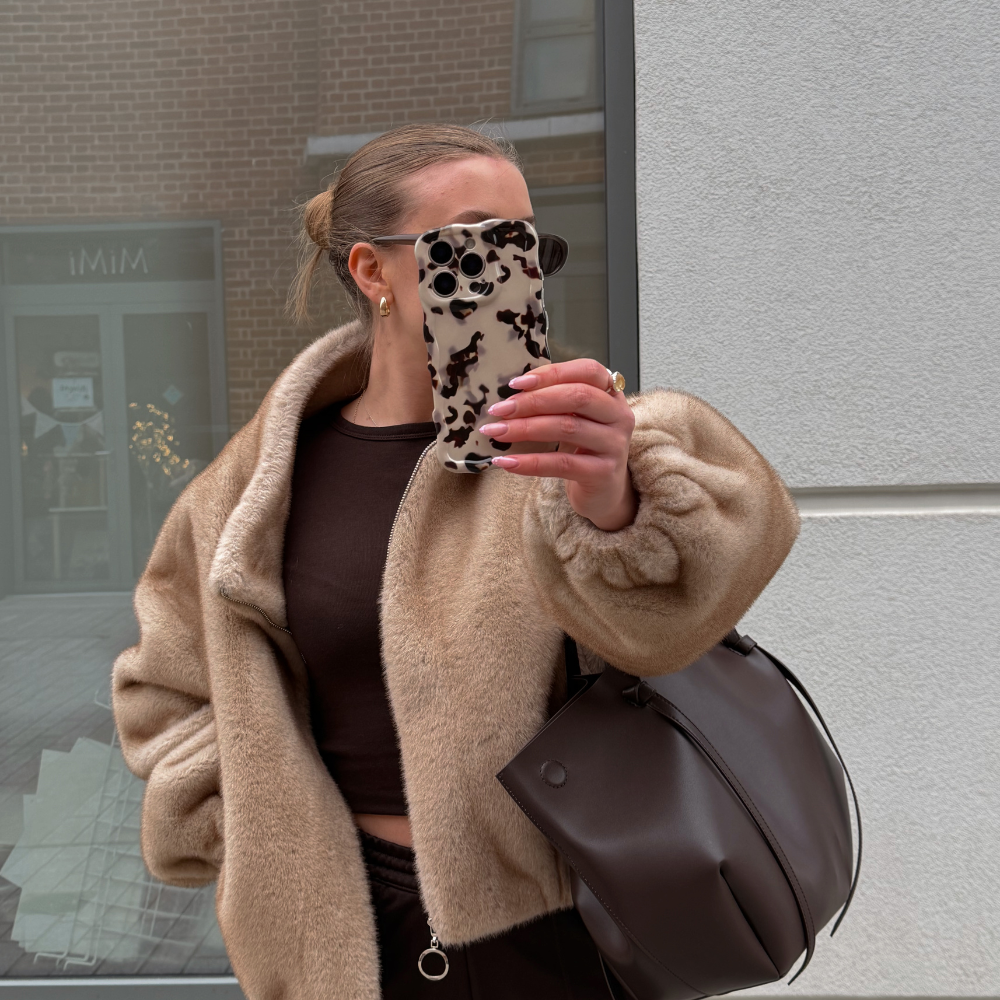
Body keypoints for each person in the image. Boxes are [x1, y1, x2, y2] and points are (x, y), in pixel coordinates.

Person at [111, 123, 800, 1000]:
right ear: (373, 271)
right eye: (481, 239)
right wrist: (251, 821)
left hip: (558, 930)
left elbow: (678, 623)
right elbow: (161, 685)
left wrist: (615, 509)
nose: (517, 266)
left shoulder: (576, 445)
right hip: (335, 943)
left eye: (532, 243)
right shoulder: (257, 486)